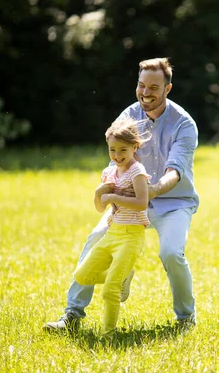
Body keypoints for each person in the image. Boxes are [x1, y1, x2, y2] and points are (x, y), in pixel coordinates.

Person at [44, 57, 199, 333]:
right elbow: (114, 161)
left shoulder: (183, 124)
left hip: (173, 202)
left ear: (168, 89)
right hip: (129, 204)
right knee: (95, 239)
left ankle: (185, 318)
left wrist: (152, 190)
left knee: (172, 253)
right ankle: (72, 316)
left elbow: (176, 171)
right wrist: (108, 187)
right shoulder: (128, 116)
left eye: (153, 87)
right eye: (141, 85)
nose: (146, 92)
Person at [70, 117, 152, 337]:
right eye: (112, 150)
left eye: (123, 149)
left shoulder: (137, 171)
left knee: (110, 290)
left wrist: (114, 195)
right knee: (82, 275)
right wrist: (99, 193)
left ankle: (108, 335)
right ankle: (122, 277)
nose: (117, 155)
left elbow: (142, 202)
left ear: (135, 147)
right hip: (112, 233)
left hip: (131, 236)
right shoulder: (109, 173)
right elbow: (100, 207)